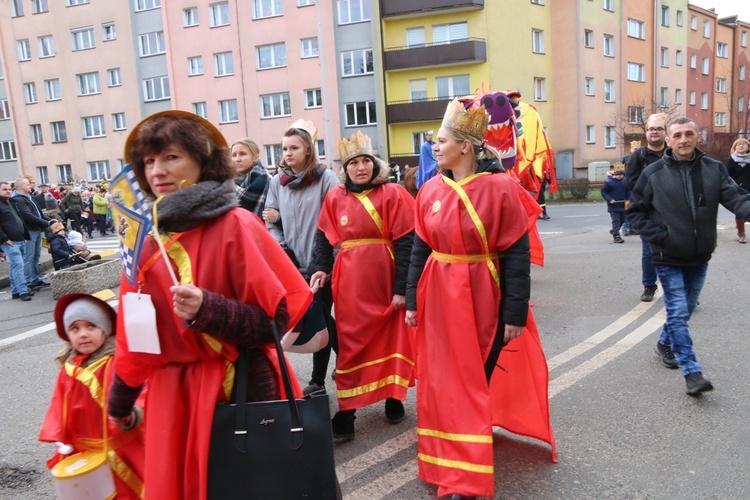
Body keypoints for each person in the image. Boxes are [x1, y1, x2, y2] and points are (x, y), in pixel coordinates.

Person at [106, 110, 312, 499]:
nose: (157, 171)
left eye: (170, 157)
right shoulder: (143, 242)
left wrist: (210, 309)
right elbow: (136, 342)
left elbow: (276, 321)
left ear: (202, 162)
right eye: (148, 161)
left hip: (241, 386)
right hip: (173, 401)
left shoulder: (236, 225)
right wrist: (119, 403)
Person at [405, 97, 556, 499]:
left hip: (483, 294)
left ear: (465, 146)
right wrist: (410, 300)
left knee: (471, 380)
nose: (434, 148)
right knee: (442, 380)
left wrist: (515, 312)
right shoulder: (430, 190)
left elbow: (516, 254)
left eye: (441, 141)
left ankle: (463, 474)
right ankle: (451, 459)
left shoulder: (501, 188)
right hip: (437, 294)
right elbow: (420, 248)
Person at [628, 117, 750, 396]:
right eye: (678, 135)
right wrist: (661, 237)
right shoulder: (654, 173)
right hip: (668, 256)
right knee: (679, 313)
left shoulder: (714, 169)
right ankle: (691, 371)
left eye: (689, 134)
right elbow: (635, 211)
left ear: (697, 138)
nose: (683, 139)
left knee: (686, 309)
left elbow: (736, 198)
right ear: (669, 141)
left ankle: (663, 342)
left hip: (700, 256)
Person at [310, 131, 416, 440]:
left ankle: (393, 398)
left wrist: (401, 288)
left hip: (385, 279)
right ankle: (347, 412)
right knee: (351, 345)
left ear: (374, 163)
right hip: (350, 284)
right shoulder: (335, 197)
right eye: (354, 163)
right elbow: (322, 236)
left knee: (391, 339)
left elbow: (407, 242)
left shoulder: (393, 193)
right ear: (346, 168)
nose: (361, 168)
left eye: (365, 161)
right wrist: (321, 268)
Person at [39, 293, 145, 498]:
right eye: (75, 328)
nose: (83, 334)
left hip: (123, 447)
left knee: (132, 491)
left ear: (104, 329)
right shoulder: (68, 369)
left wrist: (133, 414)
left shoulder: (115, 362)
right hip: (85, 451)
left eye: (91, 326)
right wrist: (62, 438)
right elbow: (59, 404)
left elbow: (139, 390)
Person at [263, 119, 340, 395]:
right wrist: (282, 251)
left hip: (323, 262)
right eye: (284, 148)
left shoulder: (325, 178)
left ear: (307, 149)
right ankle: (342, 365)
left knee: (321, 316)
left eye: (294, 147)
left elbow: (333, 218)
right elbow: (269, 221)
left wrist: (328, 259)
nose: (288, 153)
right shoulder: (277, 182)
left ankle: (318, 380)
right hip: (292, 264)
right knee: (314, 317)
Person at [626, 113, 668, 302]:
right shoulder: (638, 156)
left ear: (665, 132)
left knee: (678, 251)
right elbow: (633, 183)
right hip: (648, 211)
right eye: (652, 129)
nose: (655, 132)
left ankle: (679, 289)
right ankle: (649, 286)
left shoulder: (673, 152)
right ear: (647, 132)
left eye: (659, 128)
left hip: (674, 211)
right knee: (649, 251)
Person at [11, 177, 55, 290]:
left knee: (35, 256)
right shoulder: (19, 200)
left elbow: (38, 214)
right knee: (29, 256)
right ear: (20, 186)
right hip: (29, 230)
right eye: (27, 184)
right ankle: (28, 281)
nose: (30, 186)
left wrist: (49, 221)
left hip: (36, 229)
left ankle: (35, 278)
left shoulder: (29, 198)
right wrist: (46, 223)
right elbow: (27, 215)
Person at [1, 181, 32, 301]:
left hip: (19, 238)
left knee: (15, 265)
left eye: (9, 189)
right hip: (9, 241)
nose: (8, 191)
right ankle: (23, 291)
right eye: (4, 189)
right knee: (19, 265)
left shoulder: (11, 202)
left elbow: (18, 220)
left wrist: (24, 235)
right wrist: (4, 238)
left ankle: (15, 291)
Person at [230, 138, 271, 218]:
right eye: (234, 155)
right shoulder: (225, 183)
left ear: (255, 157)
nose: (237, 159)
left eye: (242, 154)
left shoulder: (269, 181)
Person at [725, 138, 750, 244]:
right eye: (738, 144)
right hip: (736, 189)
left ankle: (740, 222)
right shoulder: (732, 160)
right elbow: (726, 175)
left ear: (748, 147)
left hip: (749, 188)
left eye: (743, 144)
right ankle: (741, 233)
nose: (741, 146)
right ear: (734, 147)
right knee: (739, 211)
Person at [601, 164, 629, 244]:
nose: (619, 176)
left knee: (623, 220)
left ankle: (614, 230)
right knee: (616, 220)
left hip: (623, 204)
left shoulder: (625, 181)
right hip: (613, 205)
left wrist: (628, 199)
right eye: (617, 175)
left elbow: (628, 191)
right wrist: (610, 199)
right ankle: (616, 236)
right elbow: (604, 192)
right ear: (614, 175)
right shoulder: (609, 182)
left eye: (621, 175)